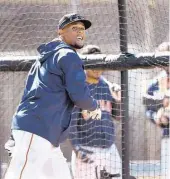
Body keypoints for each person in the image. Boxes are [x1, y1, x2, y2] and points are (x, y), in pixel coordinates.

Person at [4, 13, 102, 179]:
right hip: (36, 130)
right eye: (74, 28)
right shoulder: (68, 55)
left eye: (82, 29)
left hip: (45, 135)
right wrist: (93, 105)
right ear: (60, 32)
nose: (80, 32)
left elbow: (28, 93)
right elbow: (79, 94)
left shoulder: (46, 57)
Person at [69, 45, 122, 179]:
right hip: (86, 148)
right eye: (93, 64)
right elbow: (70, 122)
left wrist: (118, 100)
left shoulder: (107, 86)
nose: (97, 68)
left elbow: (118, 116)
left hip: (109, 148)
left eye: (100, 64)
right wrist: (77, 149)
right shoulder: (77, 88)